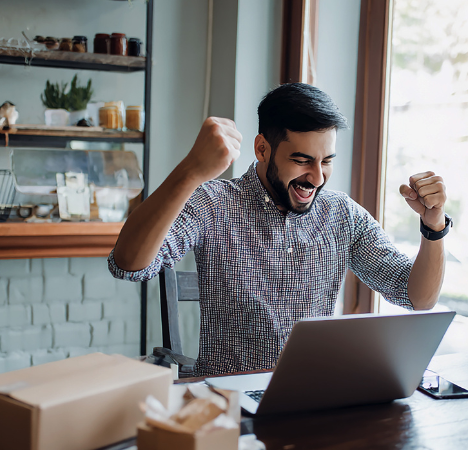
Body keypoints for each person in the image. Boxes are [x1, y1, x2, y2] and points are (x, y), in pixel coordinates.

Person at [109, 83, 449, 376]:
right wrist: (191, 172)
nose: (317, 178)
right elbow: (127, 265)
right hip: (233, 406)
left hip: (314, 402)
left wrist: (433, 226)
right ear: (262, 149)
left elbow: (418, 298)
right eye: (302, 160)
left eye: (326, 161)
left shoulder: (342, 214)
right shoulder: (213, 203)